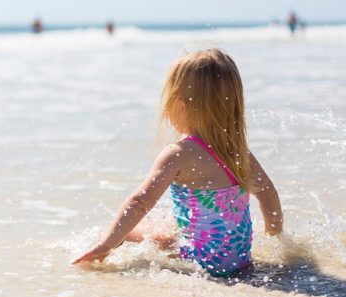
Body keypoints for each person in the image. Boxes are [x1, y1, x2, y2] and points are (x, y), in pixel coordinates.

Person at [72, 48, 284, 277]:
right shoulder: (240, 153)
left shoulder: (179, 154)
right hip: (239, 261)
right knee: (166, 221)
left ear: (181, 106)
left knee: (126, 232)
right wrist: (275, 239)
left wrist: (107, 243)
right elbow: (268, 193)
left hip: (199, 262)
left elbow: (140, 201)